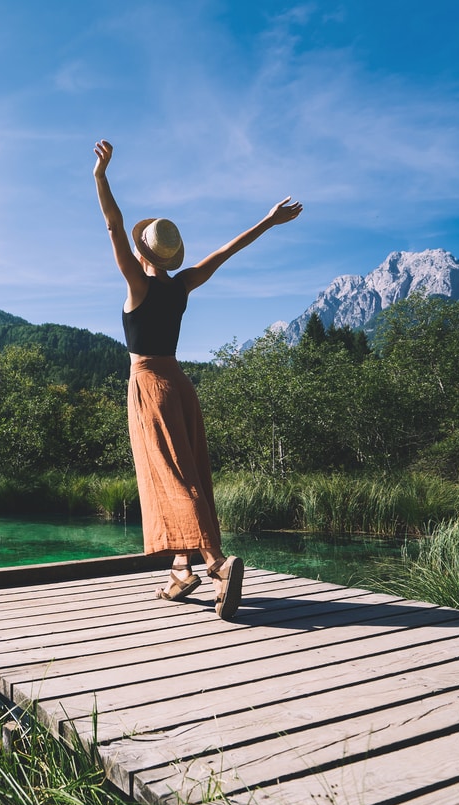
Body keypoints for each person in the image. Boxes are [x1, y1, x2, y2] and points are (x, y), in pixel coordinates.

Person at [93, 138, 302, 620]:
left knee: (169, 476)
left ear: (146, 254)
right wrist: (268, 221)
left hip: (149, 387)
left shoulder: (138, 284)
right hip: (181, 387)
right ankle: (180, 570)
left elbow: (113, 225)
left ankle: (216, 565)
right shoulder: (183, 284)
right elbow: (227, 251)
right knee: (187, 474)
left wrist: (100, 177)